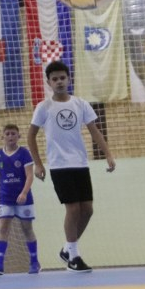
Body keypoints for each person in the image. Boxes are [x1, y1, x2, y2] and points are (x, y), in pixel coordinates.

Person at [28, 60, 116, 273]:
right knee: (73, 208)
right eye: (55, 79)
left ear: (69, 79)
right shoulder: (44, 107)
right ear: (49, 83)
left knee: (87, 210)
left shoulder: (80, 104)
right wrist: (38, 164)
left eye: (62, 78)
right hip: (59, 165)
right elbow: (31, 136)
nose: (59, 82)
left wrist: (108, 154)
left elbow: (94, 131)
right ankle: (74, 257)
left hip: (80, 163)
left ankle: (67, 248)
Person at [0, 124, 41, 275]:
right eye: (7, 134)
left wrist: (24, 193)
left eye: (13, 134)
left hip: (23, 199)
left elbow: (29, 176)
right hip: (5, 199)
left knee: (27, 229)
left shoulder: (24, 153)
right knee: (3, 229)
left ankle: (34, 262)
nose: (10, 136)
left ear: (19, 136)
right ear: (2, 137)